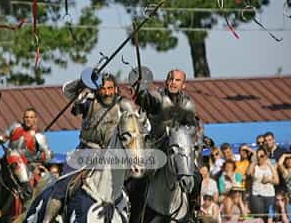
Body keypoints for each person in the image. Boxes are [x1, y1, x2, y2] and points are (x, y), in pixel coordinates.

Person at [45, 72, 136, 222]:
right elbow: (67, 91)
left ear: (115, 89)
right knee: (63, 185)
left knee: (136, 185)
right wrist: (83, 81)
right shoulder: (89, 102)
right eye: (103, 88)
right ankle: (47, 219)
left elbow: (135, 126)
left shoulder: (123, 106)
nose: (107, 92)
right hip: (85, 152)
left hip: (113, 157)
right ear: (97, 89)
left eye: (110, 88)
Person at [134, 69, 202, 218]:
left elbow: (192, 128)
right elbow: (145, 100)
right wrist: (140, 91)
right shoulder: (157, 97)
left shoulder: (188, 104)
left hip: (178, 149)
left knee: (196, 177)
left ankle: (192, 211)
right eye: (170, 79)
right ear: (166, 82)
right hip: (156, 145)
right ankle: (136, 213)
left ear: (183, 85)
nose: (173, 83)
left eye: (177, 80)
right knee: (140, 177)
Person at [0, 107, 52, 203]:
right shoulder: (15, 127)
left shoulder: (39, 136)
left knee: (44, 189)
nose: (28, 119)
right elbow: (2, 138)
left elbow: (48, 155)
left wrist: (34, 158)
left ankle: (29, 192)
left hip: (28, 166)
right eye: (26, 117)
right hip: (8, 162)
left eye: (31, 117)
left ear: (35, 119)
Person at [247, 147, 280, 222]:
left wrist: (269, 180)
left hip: (270, 195)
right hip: (257, 195)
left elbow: (277, 181)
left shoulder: (271, 166)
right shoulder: (255, 166)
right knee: (259, 218)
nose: (260, 158)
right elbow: (248, 173)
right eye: (258, 156)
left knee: (270, 217)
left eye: (262, 156)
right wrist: (254, 161)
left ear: (266, 156)